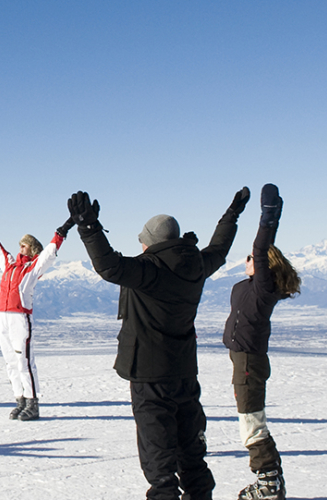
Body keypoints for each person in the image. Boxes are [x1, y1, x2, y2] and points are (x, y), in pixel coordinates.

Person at [67, 187, 249, 500]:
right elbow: (219, 249)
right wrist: (231, 215)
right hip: (184, 374)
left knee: (159, 462)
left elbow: (109, 266)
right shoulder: (195, 265)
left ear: (151, 240)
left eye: (143, 239)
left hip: (150, 378)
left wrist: (88, 227)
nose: (140, 243)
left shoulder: (151, 270)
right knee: (191, 454)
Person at [223, 184, 300, 500]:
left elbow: (259, 248)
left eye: (252, 258)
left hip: (249, 362)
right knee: (250, 421)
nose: (248, 259)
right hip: (244, 360)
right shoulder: (250, 285)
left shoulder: (263, 289)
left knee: (251, 424)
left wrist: (269, 218)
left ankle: (269, 483)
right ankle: (271, 481)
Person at [0, 216, 73, 421]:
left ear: (32, 249)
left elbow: (49, 254)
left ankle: (32, 402)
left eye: (25, 245)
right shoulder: (9, 266)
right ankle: (19, 399)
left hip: (20, 318)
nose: (20, 248)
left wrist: (62, 231)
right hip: (2, 317)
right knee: (10, 361)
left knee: (24, 361)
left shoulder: (32, 269)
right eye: (20, 245)